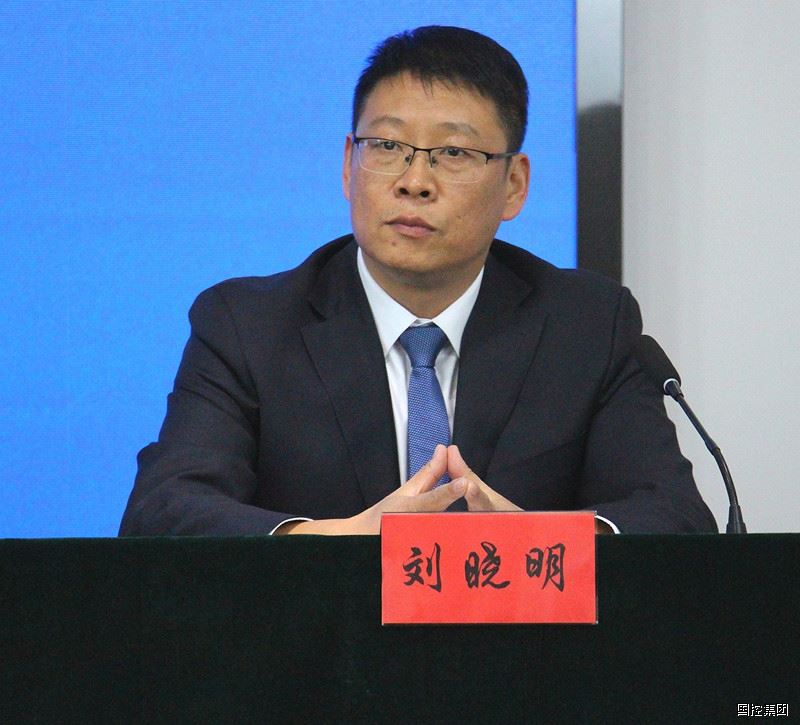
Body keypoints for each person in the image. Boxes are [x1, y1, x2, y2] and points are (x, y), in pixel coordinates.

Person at [119, 26, 716, 537]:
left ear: (514, 185)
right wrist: (335, 539)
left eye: (453, 153)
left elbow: (676, 517)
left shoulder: (587, 325)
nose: (414, 181)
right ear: (348, 165)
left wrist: (535, 543)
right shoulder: (247, 325)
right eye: (386, 145)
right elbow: (163, 510)